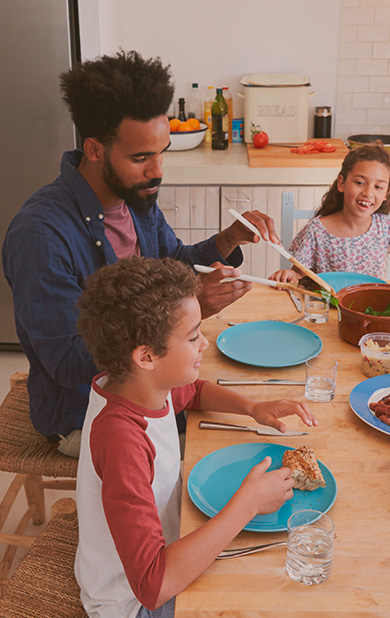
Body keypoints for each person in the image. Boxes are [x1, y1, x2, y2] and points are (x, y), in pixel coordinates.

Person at [2, 51, 279, 457]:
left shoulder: (134, 198)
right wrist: (184, 313)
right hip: (87, 413)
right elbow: (65, 360)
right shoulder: (40, 235)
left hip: (153, 382)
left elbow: (175, 265)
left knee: (257, 415)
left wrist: (228, 240)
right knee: (229, 450)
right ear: (94, 150)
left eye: (161, 151)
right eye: (141, 157)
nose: (158, 170)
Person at [73, 256, 317, 618]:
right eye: (192, 337)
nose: (204, 343)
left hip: (168, 551)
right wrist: (248, 505)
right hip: (136, 612)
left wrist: (253, 407)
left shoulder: (143, 385)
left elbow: (194, 392)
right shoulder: (122, 441)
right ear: (146, 355)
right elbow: (153, 584)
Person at [268, 144, 390, 307]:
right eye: (360, 182)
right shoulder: (317, 230)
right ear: (342, 183)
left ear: (386, 194)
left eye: (378, 187)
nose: (368, 193)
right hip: (328, 314)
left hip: (373, 309)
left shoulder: (387, 228)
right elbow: (299, 275)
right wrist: (289, 276)